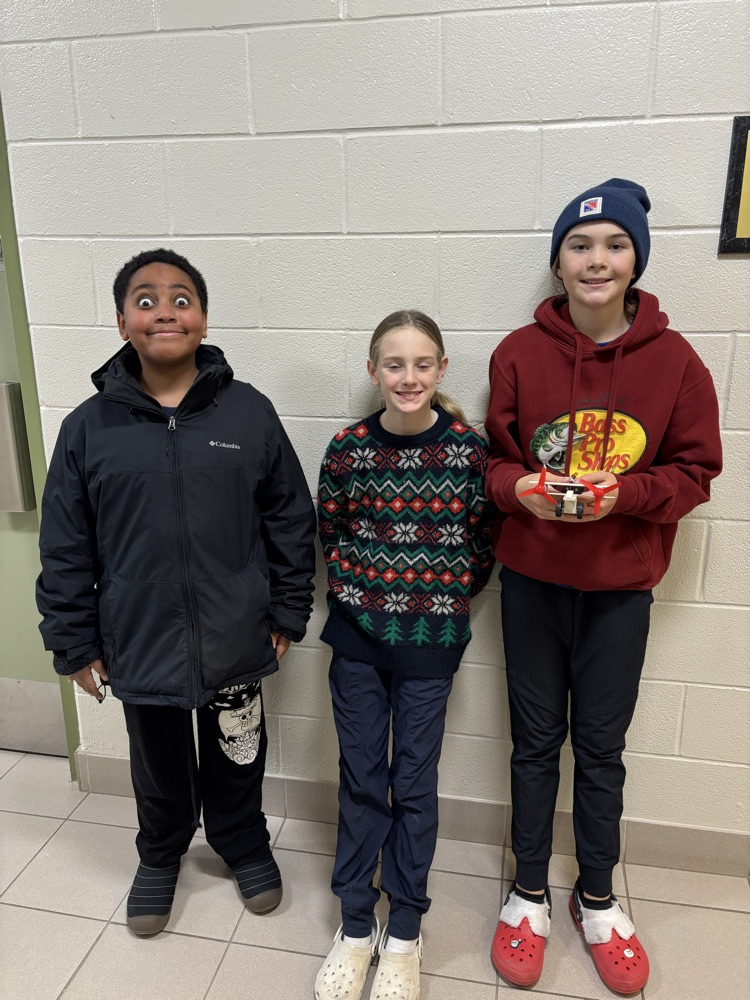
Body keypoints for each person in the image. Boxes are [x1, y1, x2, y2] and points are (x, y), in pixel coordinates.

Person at [484, 179, 722, 995]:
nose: (597, 259)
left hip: (621, 586)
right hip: (532, 582)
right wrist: (521, 490)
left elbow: (695, 472)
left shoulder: (678, 361)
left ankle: (596, 897)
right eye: (581, 246)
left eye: (614, 245)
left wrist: (628, 495)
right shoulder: (518, 352)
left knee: (602, 748)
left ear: (635, 260)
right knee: (533, 743)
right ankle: (525, 895)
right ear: (558, 261)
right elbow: (496, 461)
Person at [36, 248, 317, 936]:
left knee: (238, 750)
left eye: (182, 298)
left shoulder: (248, 413)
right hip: (139, 637)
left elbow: (289, 517)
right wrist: (73, 641)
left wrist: (286, 609)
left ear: (204, 317)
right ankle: (160, 854)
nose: (165, 309)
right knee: (158, 764)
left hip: (236, 636)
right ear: (122, 321)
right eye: (146, 299)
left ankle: (242, 842)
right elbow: (65, 545)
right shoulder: (87, 429)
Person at [315, 311, 495, 1000]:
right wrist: (366, 596)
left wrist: (438, 600)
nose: (409, 377)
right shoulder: (348, 450)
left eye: (422, 364)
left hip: (431, 644)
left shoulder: (467, 453)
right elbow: (329, 531)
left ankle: (406, 932)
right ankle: (356, 926)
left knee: (413, 785)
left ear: (442, 369)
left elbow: (483, 548)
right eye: (395, 364)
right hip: (357, 643)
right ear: (374, 372)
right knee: (362, 779)